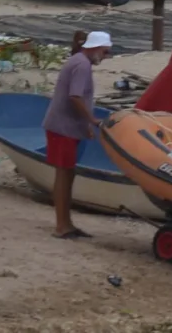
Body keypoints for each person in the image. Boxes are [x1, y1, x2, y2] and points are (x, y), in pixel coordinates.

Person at [41, 30, 110, 238]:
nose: (105, 57)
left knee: (68, 173)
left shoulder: (79, 61)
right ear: (96, 49)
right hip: (63, 128)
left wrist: (84, 126)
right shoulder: (82, 65)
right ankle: (62, 225)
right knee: (63, 174)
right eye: (105, 53)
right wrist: (91, 120)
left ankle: (66, 223)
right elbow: (75, 97)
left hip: (67, 127)